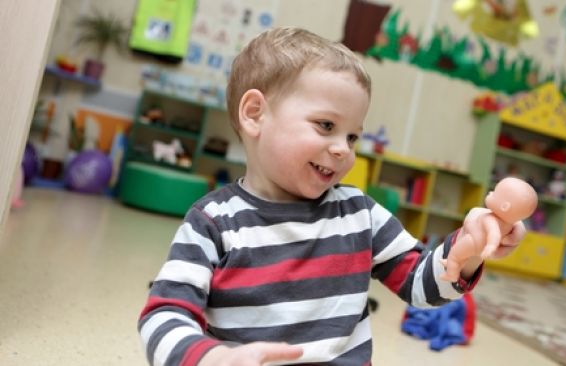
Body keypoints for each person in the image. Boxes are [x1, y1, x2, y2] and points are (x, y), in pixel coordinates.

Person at [138, 27, 527, 366]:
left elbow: (421, 287)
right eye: (326, 126)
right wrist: (211, 357)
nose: (344, 149)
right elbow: (163, 315)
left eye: (353, 136)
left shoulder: (360, 214)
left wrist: (467, 251)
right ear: (255, 114)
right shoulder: (212, 223)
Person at [440, 177, 537, 282]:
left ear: (504, 206)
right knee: (464, 255)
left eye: (494, 193)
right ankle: (453, 264)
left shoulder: (491, 219)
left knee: (454, 254)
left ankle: (451, 274)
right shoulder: (510, 225)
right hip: (479, 246)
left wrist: (491, 245)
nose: (490, 192)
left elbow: (494, 233)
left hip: (473, 241)